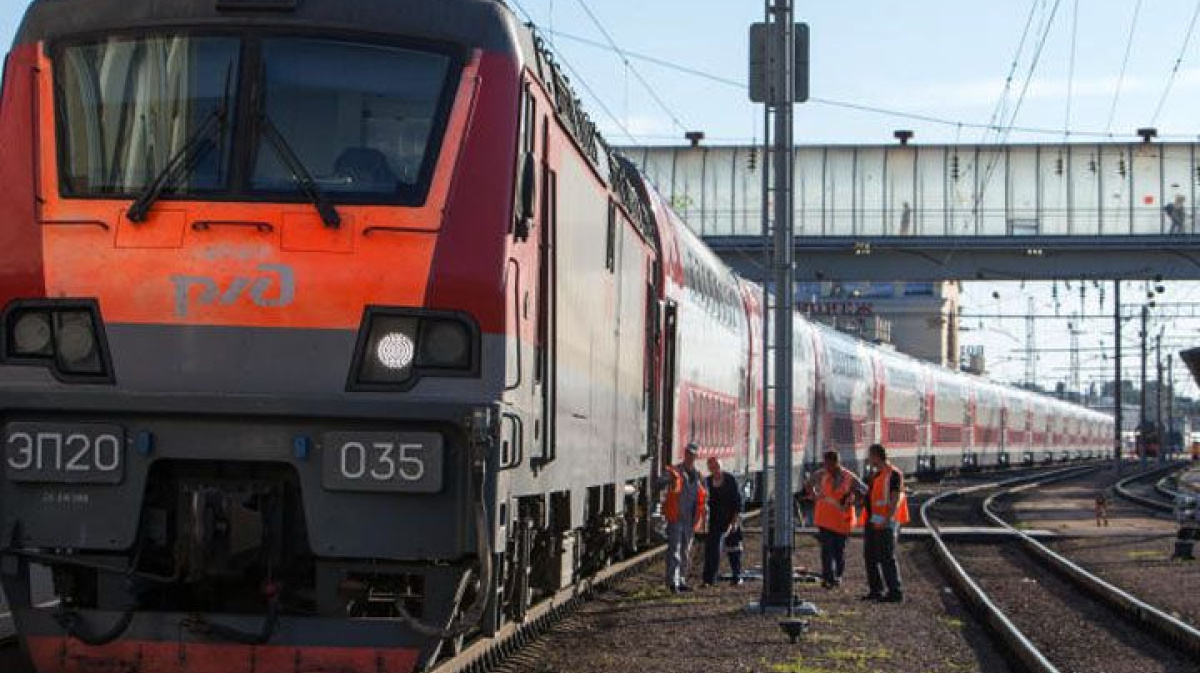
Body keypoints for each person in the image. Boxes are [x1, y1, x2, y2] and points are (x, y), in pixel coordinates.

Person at [805, 450, 866, 589]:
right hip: (824, 520)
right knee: (827, 550)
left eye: (828, 464)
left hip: (841, 521)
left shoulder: (849, 477)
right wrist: (814, 496)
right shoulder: (821, 474)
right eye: (825, 464)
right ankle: (828, 578)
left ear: (835, 463)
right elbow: (808, 484)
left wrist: (854, 501)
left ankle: (837, 575)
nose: (826, 467)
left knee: (839, 551)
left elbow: (864, 491)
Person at [860, 443, 909, 603]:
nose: (868, 459)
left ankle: (895, 591)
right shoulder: (877, 475)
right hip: (874, 520)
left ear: (876, 456)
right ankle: (876, 590)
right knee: (870, 557)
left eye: (870, 456)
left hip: (886, 522)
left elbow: (895, 499)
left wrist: (887, 520)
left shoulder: (893, 474)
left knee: (887, 557)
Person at [662, 443, 707, 593]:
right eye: (688, 453)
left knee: (685, 551)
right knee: (674, 550)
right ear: (685, 454)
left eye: (692, 455)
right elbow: (660, 482)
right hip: (676, 517)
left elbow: (704, 495)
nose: (690, 457)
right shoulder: (675, 472)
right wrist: (667, 481)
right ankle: (672, 582)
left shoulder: (698, 475)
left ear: (696, 457)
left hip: (690, 519)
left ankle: (681, 579)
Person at [702, 457, 743, 586]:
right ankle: (709, 579)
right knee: (712, 550)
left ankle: (737, 576)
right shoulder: (707, 482)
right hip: (715, 521)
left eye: (717, 467)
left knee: (734, 548)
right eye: (712, 468)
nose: (716, 470)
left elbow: (737, 501)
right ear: (709, 469)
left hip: (731, 518)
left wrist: (734, 521)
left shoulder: (730, 480)